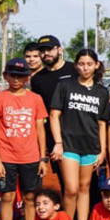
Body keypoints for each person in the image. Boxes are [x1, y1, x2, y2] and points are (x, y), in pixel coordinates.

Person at [0, 57, 49, 220]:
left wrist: (43, 159)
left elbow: (40, 130)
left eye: (20, 76)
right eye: (12, 75)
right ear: (5, 76)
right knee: (7, 197)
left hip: (31, 157)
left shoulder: (35, 99)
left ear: (27, 78)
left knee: (30, 197)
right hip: (6, 157)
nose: (16, 79)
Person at [49, 48, 110, 220]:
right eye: (81, 64)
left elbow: (102, 124)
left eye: (89, 64)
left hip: (90, 146)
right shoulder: (65, 85)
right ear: (75, 65)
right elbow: (54, 115)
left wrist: (102, 150)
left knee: (84, 188)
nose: (85, 68)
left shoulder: (102, 91)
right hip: (68, 145)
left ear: (96, 65)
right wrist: (58, 143)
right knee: (71, 189)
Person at [30, 35, 77, 186]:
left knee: (87, 179)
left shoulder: (75, 70)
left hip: (77, 130)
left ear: (60, 50)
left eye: (49, 49)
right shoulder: (38, 78)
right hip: (53, 133)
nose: (46, 54)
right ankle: (68, 210)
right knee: (64, 179)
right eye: (42, 51)